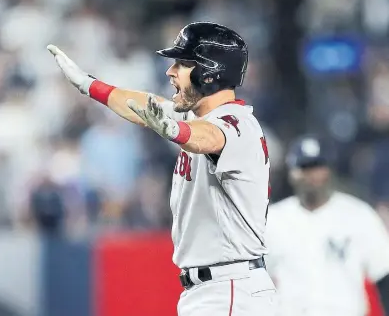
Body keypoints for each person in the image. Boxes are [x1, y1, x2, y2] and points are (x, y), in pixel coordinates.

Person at [48, 22, 276, 316]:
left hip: (231, 289)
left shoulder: (236, 123)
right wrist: (88, 85)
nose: (170, 72)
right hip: (215, 289)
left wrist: (177, 132)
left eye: (181, 63)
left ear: (209, 73)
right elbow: (143, 104)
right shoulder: (196, 116)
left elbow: (208, 138)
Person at [265, 134, 389, 316]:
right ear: (291, 173)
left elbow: (383, 274)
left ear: (329, 169)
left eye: (317, 166)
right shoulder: (273, 220)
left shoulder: (359, 215)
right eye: (304, 167)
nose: (312, 175)